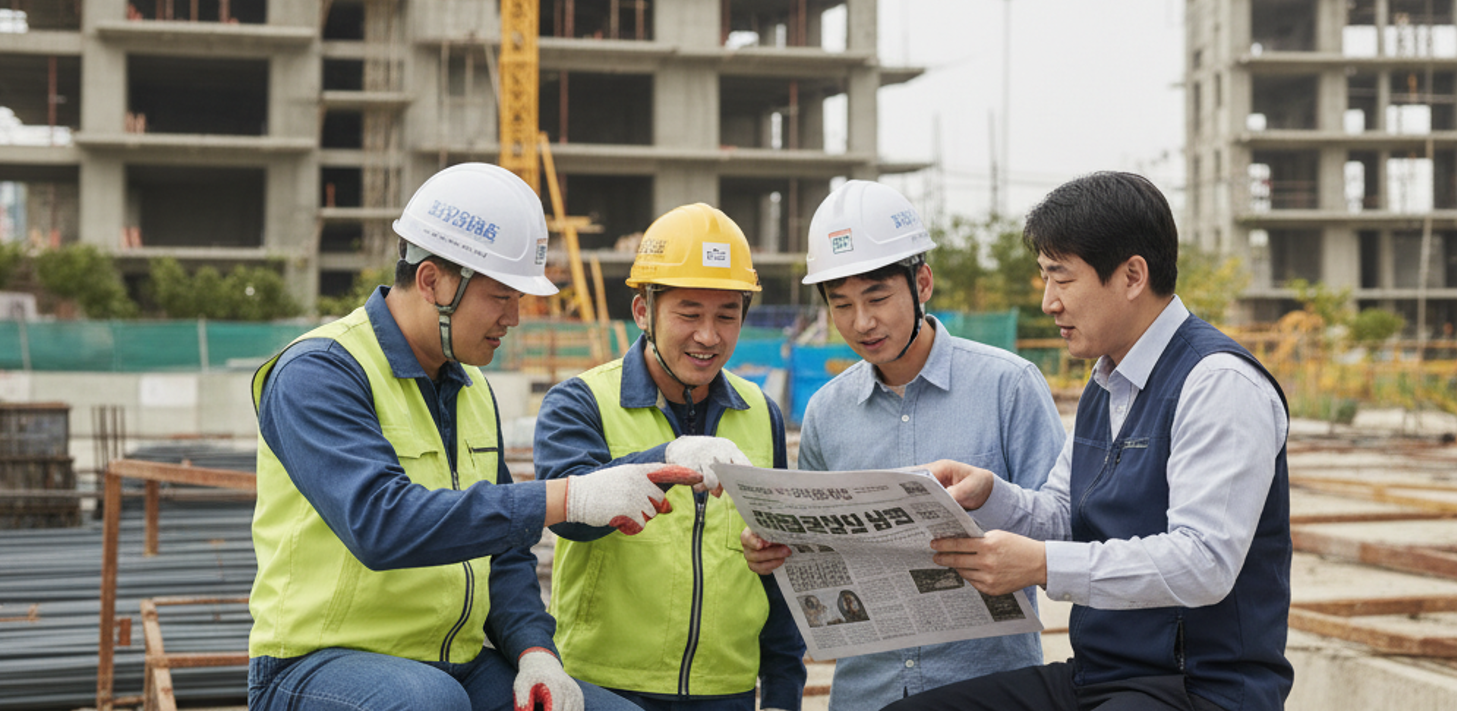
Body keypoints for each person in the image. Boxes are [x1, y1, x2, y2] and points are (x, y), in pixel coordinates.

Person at [247, 163, 701, 711]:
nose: (515, 316)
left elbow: (504, 551)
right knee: (428, 701)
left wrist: (537, 653)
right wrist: (569, 496)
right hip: (316, 665)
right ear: (432, 280)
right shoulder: (319, 372)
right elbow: (380, 523)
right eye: (500, 296)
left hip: (454, 665)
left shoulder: (473, 388)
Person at [889, 171, 1293, 711]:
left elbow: (1204, 562)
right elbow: (1065, 514)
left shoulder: (1217, 382)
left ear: (1131, 276)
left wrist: (1043, 566)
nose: (1048, 303)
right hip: (1100, 679)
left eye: (1062, 278)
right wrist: (991, 497)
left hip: (1200, 688)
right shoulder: (1106, 383)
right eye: (1044, 279)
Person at [741, 180, 1066, 711]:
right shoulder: (826, 412)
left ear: (922, 282)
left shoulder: (1009, 386)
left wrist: (995, 501)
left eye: (877, 297)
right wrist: (776, 551)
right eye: (841, 304)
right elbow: (818, 565)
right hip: (866, 696)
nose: (861, 322)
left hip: (989, 692)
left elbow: (1066, 528)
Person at [533, 203, 807, 711]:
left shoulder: (760, 412)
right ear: (643, 311)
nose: (709, 336)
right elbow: (570, 518)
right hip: (606, 685)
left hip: (726, 689)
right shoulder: (581, 401)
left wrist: (784, 691)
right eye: (689, 313)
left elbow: (776, 564)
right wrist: (668, 457)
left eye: (727, 315)